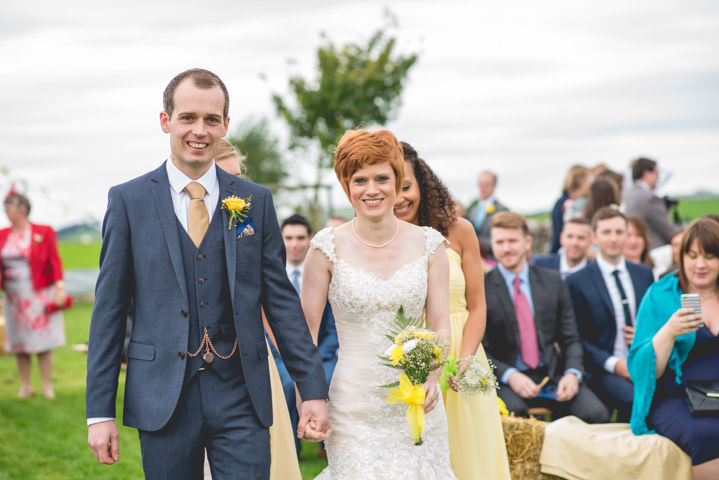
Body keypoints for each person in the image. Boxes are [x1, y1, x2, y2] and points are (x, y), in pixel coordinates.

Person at [85, 68, 329, 479]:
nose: (200, 130)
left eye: (212, 119)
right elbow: (108, 311)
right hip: (162, 393)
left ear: (225, 125)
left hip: (242, 392)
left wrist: (312, 390)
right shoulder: (128, 201)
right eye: (188, 118)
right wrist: (99, 412)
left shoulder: (254, 200)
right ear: (166, 121)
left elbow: (281, 302)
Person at [302, 129, 456, 478]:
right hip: (353, 405)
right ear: (346, 185)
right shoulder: (326, 248)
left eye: (382, 178)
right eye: (360, 180)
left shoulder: (430, 245)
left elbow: (440, 323)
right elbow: (305, 335)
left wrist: (432, 374)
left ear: (398, 181)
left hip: (417, 399)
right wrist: (308, 399)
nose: (372, 190)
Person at [393, 142, 510, 479]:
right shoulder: (381, 242)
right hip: (408, 357)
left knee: (471, 453)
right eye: (393, 186)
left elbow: (477, 306)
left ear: (423, 186)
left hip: (462, 353)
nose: (400, 197)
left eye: (407, 186)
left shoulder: (459, 231)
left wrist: (466, 359)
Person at [213, 141, 301, 480]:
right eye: (227, 176)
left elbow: (273, 298)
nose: (238, 187)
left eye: (239, 175)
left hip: (251, 358)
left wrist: (292, 361)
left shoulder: (249, 221)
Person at [483, 211, 608, 423]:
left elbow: (571, 338)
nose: (506, 248)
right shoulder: (481, 289)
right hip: (506, 379)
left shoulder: (553, 282)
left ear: (527, 242)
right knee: (515, 418)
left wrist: (572, 373)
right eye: (499, 242)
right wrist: (509, 375)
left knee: (596, 414)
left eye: (512, 241)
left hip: (551, 374)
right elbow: (480, 348)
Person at [628, 218, 719, 479]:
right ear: (681, 257)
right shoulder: (660, 296)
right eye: (692, 255)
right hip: (676, 399)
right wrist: (667, 333)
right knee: (708, 435)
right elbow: (640, 370)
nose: (700, 264)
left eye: (710, 256)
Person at [565, 207, 654, 421]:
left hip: (644, 363)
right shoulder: (577, 281)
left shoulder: (644, 274)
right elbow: (577, 337)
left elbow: (655, 320)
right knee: (635, 399)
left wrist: (645, 336)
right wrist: (615, 364)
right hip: (602, 369)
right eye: (606, 232)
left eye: (619, 232)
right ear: (594, 237)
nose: (613, 238)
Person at [269, 213, 338, 458]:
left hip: (322, 354)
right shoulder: (272, 275)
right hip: (279, 355)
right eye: (288, 238)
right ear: (281, 240)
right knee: (287, 384)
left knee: (328, 379)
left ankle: (326, 442)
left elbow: (333, 328)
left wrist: (316, 356)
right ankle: (292, 448)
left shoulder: (325, 273)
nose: (295, 243)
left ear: (310, 239)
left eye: (300, 237)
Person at [1, 191, 67, 399]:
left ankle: (47, 385)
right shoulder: (2, 235)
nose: (6, 212)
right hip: (13, 297)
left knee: (43, 341)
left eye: (9, 208)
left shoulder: (44, 232)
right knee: (20, 342)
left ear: (22, 209)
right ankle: (25, 386)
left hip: (39, 294)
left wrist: (59, 287)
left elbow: (55, 261)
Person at [625, 157, 676, 248]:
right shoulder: (650, 198)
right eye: (656, 174)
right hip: (655, 250)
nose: (658, 179)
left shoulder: (629, 194)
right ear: (646, 174)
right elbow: (669, 231)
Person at [464, 170, 508, 259]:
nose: (483, 188)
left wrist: (481, 244)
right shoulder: (473, 209)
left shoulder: (502, 210)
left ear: (494, 185)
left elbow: (504, 238)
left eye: (487, 185)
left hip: (492, 258)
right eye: (481, 185)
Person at [549, 165, 590, 254]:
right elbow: (558, 230)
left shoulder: (575, 200)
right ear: (581, 180)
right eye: (588, 179)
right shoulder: (564, 202)